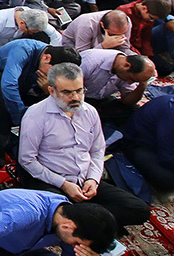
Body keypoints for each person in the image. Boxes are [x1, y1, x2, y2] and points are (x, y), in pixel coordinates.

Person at [19, 62, 150, 231]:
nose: (75, 97)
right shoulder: (36, 115)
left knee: (139, 210)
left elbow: (98, 150)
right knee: (60, 214)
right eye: (67, 92)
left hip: (84, 180)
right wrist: (63, 184)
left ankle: (87, 222)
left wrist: (93, 180)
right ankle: (94, 222)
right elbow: (27, 160)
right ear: (52, 91)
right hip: (52, 181)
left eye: (79, 90)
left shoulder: (90, 112)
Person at [0, 42, 82, 165]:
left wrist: (48, 91)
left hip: (26, 86)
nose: (52, 77)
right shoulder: (22, 51)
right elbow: (9, 85)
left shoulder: (51, 64)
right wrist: (22, 118)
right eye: (53, 72)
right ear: (46, 58)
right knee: (5, 101)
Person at [122, 95, 174, 191]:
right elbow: (167, 158)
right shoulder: (171, 113)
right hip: (138, 144)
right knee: (168, 179)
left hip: (161, 143)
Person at [60, 9, 134, 54]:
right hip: (72, 46)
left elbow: (124, 48)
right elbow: (82, 55)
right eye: (113, 34)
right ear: (102, 25)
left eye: (122, 33)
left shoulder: (126, 23)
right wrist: (103, 46)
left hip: (99, 46)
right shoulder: (86, 25)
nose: (117, 37)